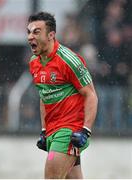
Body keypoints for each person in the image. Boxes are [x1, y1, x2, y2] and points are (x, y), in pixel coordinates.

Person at [27, 11, 98, 179]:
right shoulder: (34, 62)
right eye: (29, 32)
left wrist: (85, 131)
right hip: (53, 130)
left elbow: (91, 95)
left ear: (51, 35)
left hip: (70, 130)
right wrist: (44, 130)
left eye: (36, 32)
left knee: (51, 176)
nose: (30, 37)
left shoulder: (68, 60)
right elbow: (44, 97)